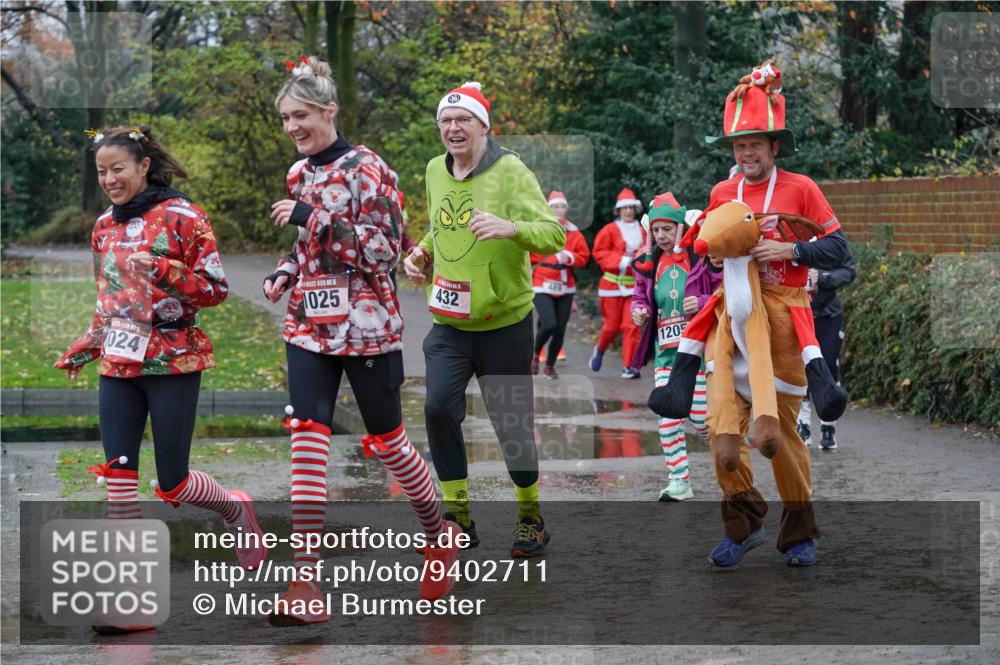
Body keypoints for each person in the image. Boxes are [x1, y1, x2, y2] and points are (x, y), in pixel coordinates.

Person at [261, 56, 460, 625]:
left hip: (367, 325)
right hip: (308, 325)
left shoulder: (368, 169)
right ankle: (305, 581)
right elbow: (304, 246)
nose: (292, 127)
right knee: (307, 435)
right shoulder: (299, 174)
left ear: (330, 110)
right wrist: (284, 270)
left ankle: (438, 531)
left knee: (389, 440)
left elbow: (383, 252)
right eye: (284, 118)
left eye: (301, 115)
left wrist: (314, 219)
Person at [55, 125, 264, 633]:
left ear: (143, 165)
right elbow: (106, 297)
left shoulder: (184, 216)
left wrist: (168, 271)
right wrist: (89, 341)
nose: (109, 179)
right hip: (119, 364)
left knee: (173, 482)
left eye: (118, 169)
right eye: (102, 172)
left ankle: (235, 509)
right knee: (119, 480)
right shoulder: (103, 225)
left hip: (172, 359)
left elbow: (215, 290)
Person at [694, 62, 851, 567]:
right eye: (740, 146)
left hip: (784, 333)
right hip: (732, 329)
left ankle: (800, 532)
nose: (747, 154)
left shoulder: (801, 188)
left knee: (778, 442)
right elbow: (709, 246)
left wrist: (792, 253)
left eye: (756, 144)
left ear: (774, 146)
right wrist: (714, 258)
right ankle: (742, 526)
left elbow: (840, 250)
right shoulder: (722, 193)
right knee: (722, 444)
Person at [402, 81, 565, 557]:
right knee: (436, 408)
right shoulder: (435, 170)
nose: (453, 128)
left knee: (512, 426)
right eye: (446, 122)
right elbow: (441, 224)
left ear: (482, 127)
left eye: (463, 121)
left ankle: (531, 516)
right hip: (450, 325)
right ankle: (457, 517)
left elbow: (553, 234)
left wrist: (511, 227)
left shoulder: (510, 170)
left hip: (505, 325)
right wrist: (421, 252)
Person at [630, 194, 720, 501]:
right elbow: (640, 297)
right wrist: (639, 310)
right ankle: (679, 480)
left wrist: (704, 301)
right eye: (656, 231)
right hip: (665, 354)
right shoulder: (648, 265)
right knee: (667, 416)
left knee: (701, 419)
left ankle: (732, 465)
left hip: (696, 352)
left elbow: (725, 290)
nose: (662, 236)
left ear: (680, 227)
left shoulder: (699, 259)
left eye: (667, 229)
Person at [797, 251, 856, 450]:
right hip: (797, 312)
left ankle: (828, 426)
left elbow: (848, 272)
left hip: (828, 315)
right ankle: (802, 424)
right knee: (800, 367)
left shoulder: (831, 238)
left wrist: (823, 277)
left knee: (829, 364)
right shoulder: (787, 233)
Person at [530, 191, 591, 379]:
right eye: (555, 207)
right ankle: (534, 354)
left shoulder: (574, 233)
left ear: (566, 209)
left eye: (562, 206)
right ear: (549, 209)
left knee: (560, 329)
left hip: (565, 284)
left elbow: (584, 257)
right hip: (541, 281)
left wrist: (570, 257)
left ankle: (550, 366)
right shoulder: (540, 229)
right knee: (549, 323)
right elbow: (528, 252)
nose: (558, 210)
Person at [590, 188, 646, 378]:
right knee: (611, 327)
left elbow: (649, 254)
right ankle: (600, 349)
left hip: (633, 287)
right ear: (619, 210)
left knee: (631, 325)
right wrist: (624, 261)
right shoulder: (609, 230)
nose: (628, 211)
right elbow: (599, 253)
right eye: (625, 208)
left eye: (631, 207)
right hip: (611, 286)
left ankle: (630, 366)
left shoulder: (643, 231)